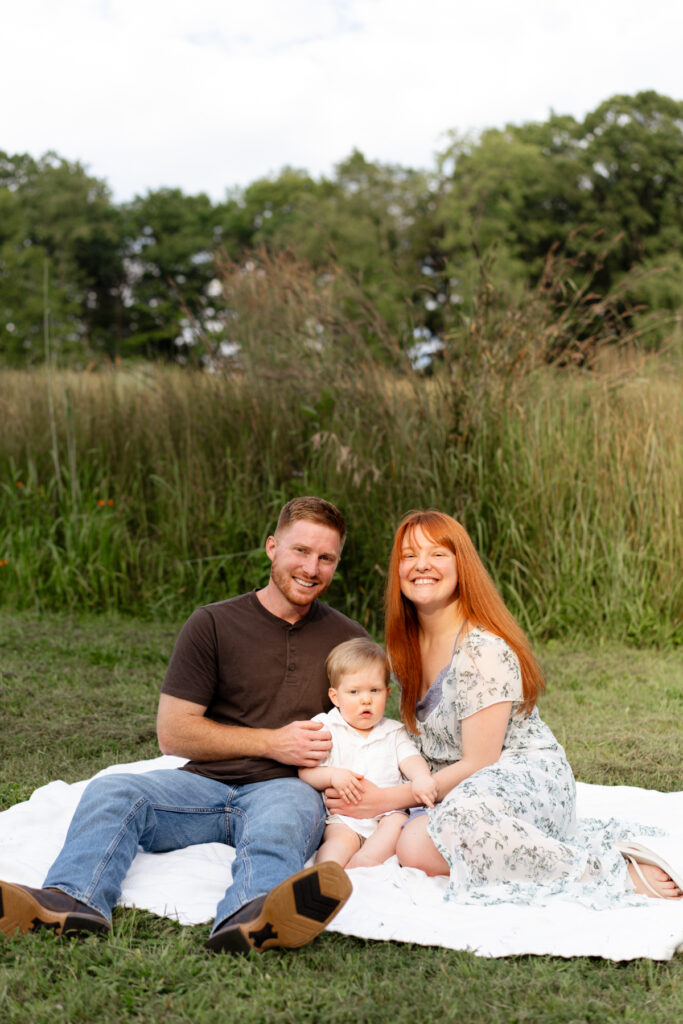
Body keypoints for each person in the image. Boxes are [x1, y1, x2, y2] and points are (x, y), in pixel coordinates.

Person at [0, 497, 371, 952]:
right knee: (113, 790)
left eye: (326, 558)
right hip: (201, 786)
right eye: (301, 551)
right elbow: (174, 733)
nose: (311, 568)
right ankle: (72, 901)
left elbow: (368, 727)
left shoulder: (348, 638)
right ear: (272, 547)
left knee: (285, 820)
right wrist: (272, 742)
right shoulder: (213, 622)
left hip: (286, 787)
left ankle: (252, 916)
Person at [326, 509, 683, 904]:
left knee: (418, 844)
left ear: (461, 566)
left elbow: (480, 761)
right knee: (413, 838)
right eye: (409, 556)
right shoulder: (402, 649)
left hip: (519, 772)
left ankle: (605, 872)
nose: (421, 565)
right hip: (456, 786)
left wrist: (386, 799)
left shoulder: (482, 650)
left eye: (437, 554)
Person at [299, 637, 437, 869]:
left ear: (387, 693)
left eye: (374, 690)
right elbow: (305, 771)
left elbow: (411, 758)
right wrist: (333, 775)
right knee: (337, 841)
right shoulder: (326, 727)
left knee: (397, 822)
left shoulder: (393, 732)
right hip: (345, 817)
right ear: (335, 697)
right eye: (354, 692)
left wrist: (422, 777)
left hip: (386, 814)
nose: (366, 699)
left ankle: (364, 862)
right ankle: (327, 871)